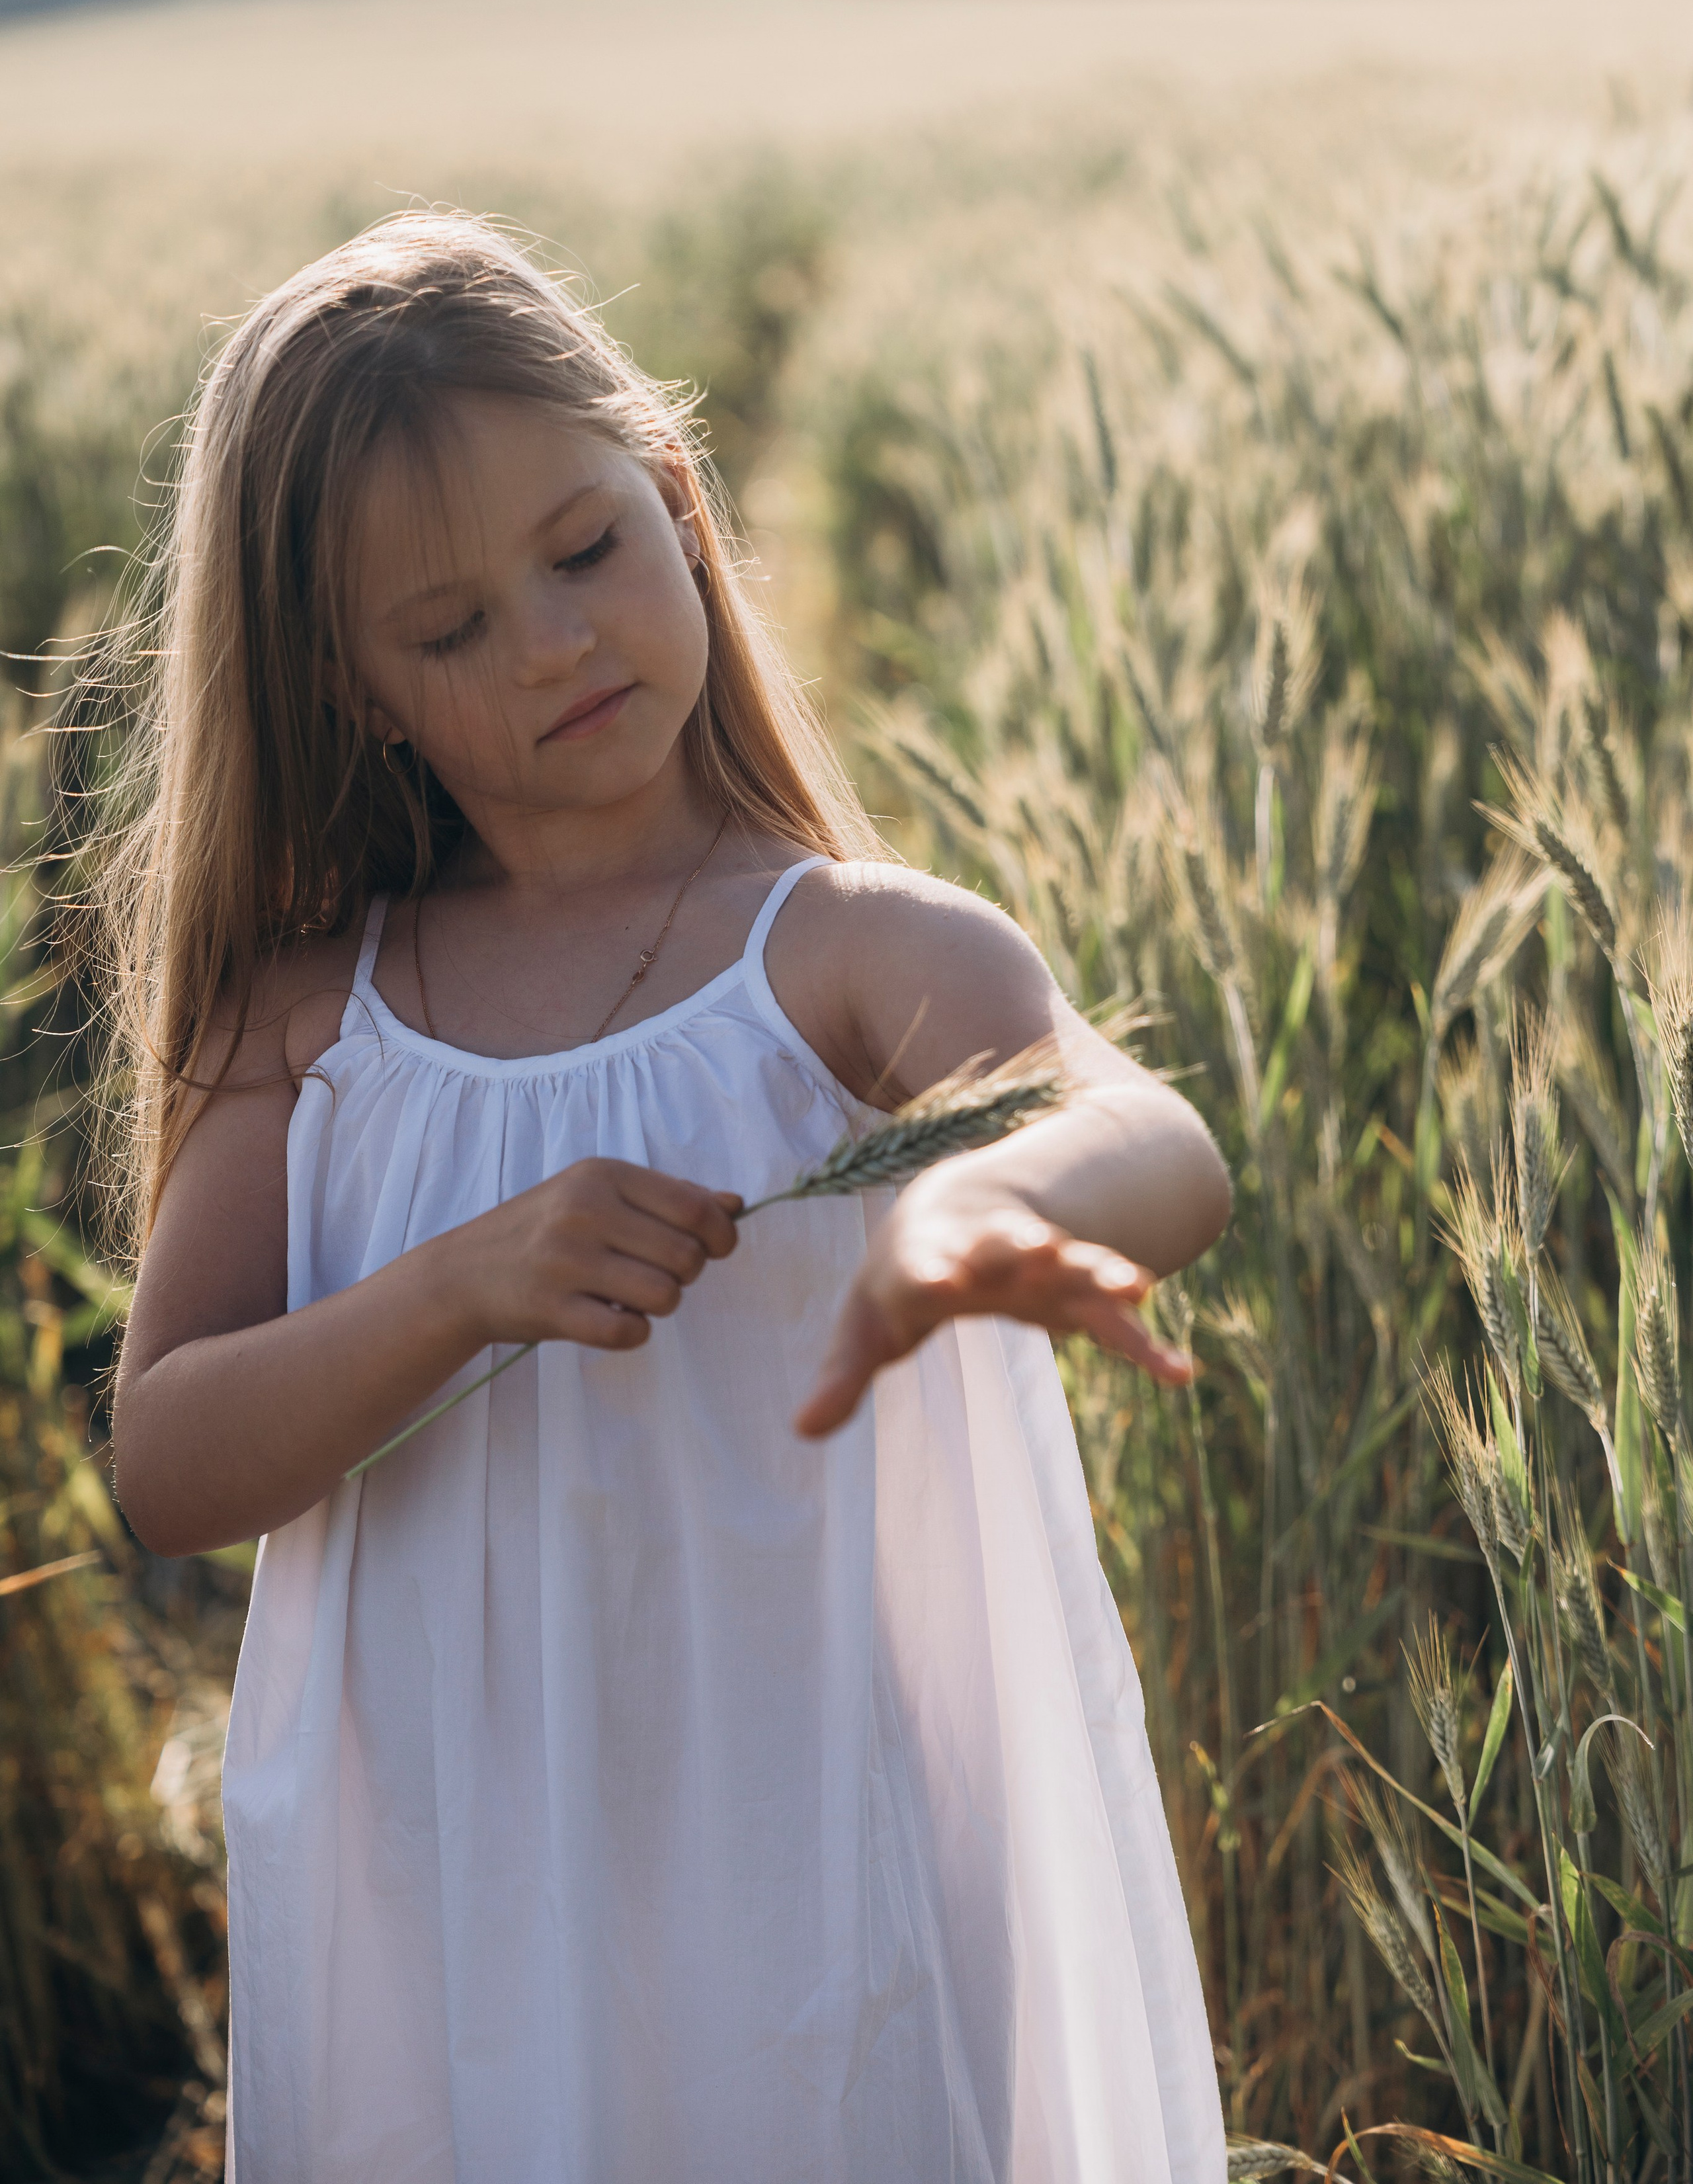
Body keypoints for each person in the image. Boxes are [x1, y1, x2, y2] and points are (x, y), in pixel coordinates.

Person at [101, 213, 1231, 2183]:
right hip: (454, 1870)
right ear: (351, 686)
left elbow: (1160, 1142)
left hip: (813, 1840)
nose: (552, 642)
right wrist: (455, 1288)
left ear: (680, 502)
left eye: (586, 549)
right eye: (449, 630)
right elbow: (170, 1464)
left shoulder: (844, 954)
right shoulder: (311, 1020)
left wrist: (983, 1212)